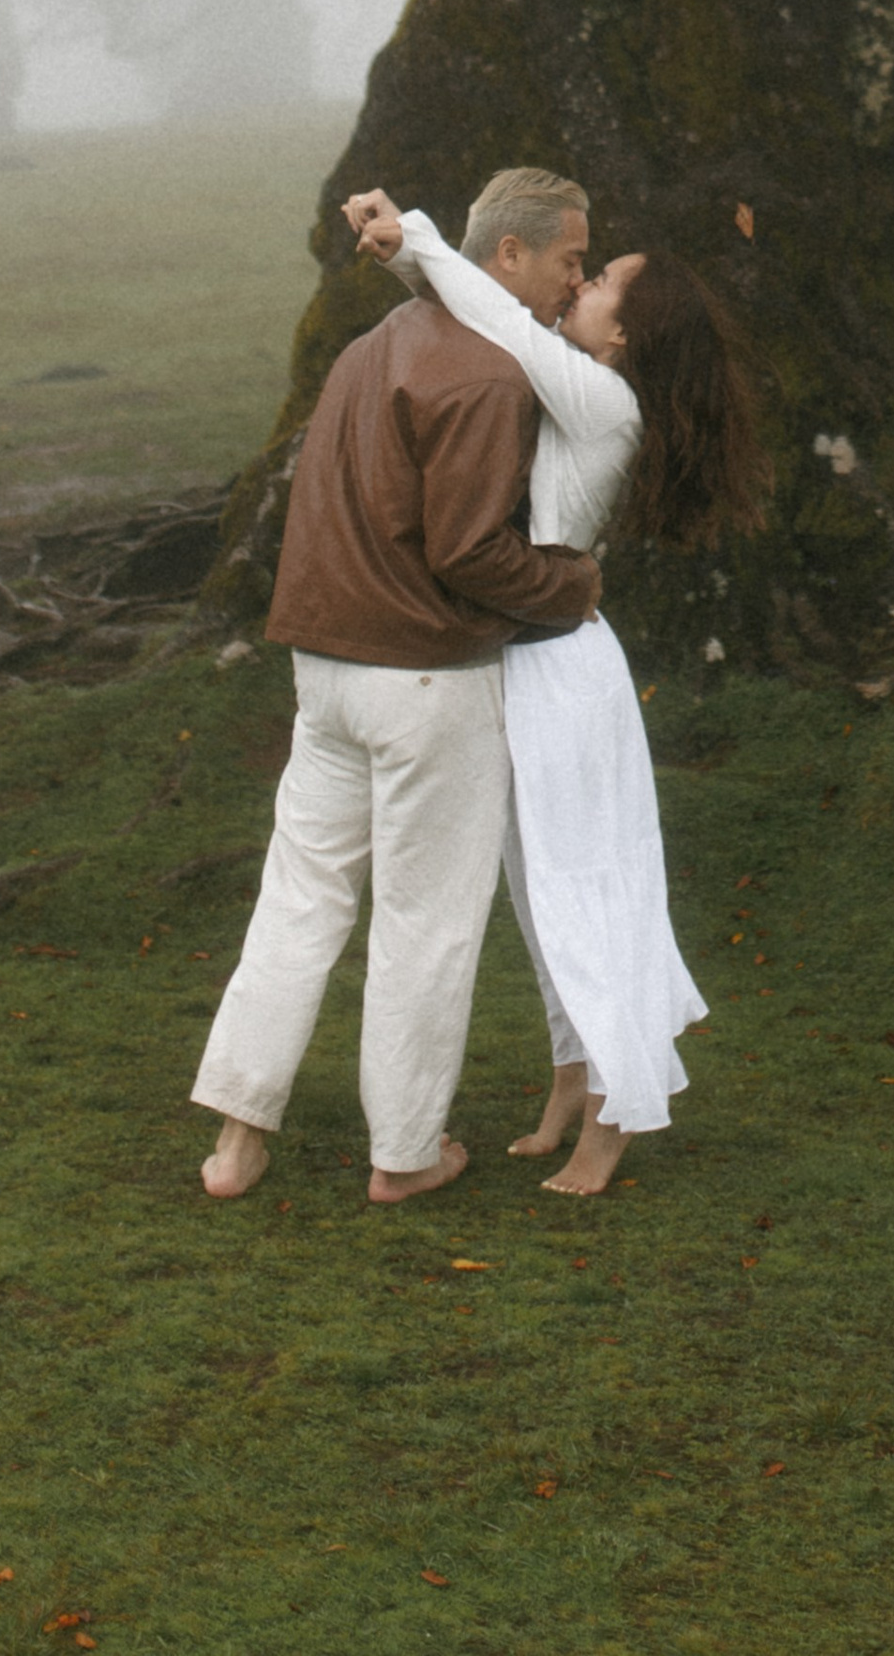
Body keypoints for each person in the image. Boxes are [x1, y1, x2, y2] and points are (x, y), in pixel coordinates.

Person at [190, 168, 604, 1206]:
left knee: (299, 899)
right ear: (508, 253)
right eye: (571, 260)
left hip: (323, 668)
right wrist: (574, 585)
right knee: (427, 922)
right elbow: (470, 553)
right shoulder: (493, 376)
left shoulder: (370, 348)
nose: (578, 281)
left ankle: (237, 1141)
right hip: (425, 679)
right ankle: (407, 1153)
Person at [344, 181, 766, 1196]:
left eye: (602, 280)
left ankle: (619, 1112)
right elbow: (485, 308)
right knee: (540, 894)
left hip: (561, 672)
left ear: (626, 336)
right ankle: (572, 1077)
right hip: (527, 659)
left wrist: (417, 237)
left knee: (585, 890)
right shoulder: (579, 376)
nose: (580, 283)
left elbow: (494, 314)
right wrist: (407, 253)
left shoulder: (603, 399)